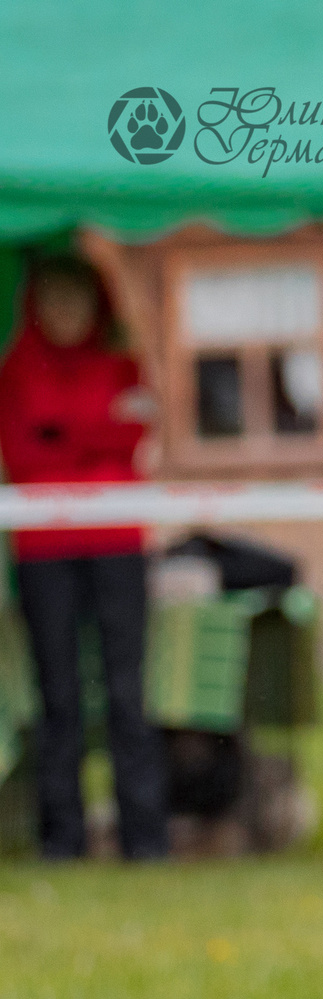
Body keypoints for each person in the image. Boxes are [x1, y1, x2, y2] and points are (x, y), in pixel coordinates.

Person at [0, 253, 166, 861]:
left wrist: (62, 430)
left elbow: (134, 434)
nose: (65, 315)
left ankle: (145, 840)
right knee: (58, 697)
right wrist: (95, 430)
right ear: (35, 307)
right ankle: (62, 839)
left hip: (117, 541)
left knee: (128, 694)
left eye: (75, 301)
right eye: (53, 302)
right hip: (43, 547)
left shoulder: (121, 364)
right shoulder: (16, 371)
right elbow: (22, 455)